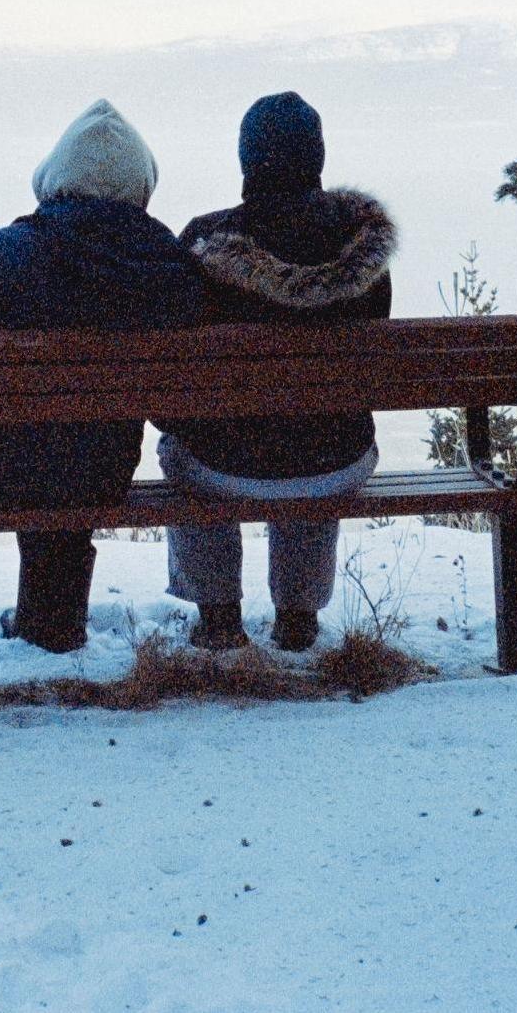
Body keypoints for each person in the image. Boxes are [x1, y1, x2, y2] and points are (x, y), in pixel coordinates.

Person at [0, 100, 207, 653]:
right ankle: (53, 620)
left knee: (35, 441)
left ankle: (48, 622)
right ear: (141, 185)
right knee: (75, 443)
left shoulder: (0, 254)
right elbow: (183, 397)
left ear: (54, 179)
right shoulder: (170, 264)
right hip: (103, 473)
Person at [159, 91, 397, 652]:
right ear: (317, 156)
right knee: (316, 436)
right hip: (336, 462)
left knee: (185, 450)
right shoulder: (360, 248)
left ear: (246, 161)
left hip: (223, 464)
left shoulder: (203, 239)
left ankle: (218, 616)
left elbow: (172, 368)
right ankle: (297, 617)